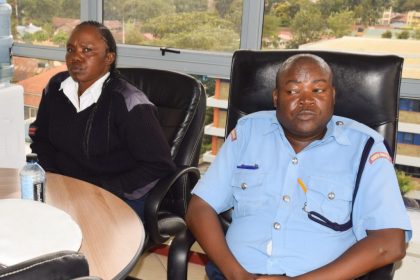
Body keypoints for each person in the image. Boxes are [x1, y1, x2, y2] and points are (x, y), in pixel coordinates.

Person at [186, 54, 412, 280]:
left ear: (332, 96)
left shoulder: (365, 147)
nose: (306, 100)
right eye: (293, 91)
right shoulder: (248, 132)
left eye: (318, 90)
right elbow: (199, 208)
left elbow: (390, 243)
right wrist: (238, 275)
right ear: (276, 98)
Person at [29, 21, 175, 221]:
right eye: (70, 50)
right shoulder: (55, 88)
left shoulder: (128, 101)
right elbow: (42, 140)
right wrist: (55, 179)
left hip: (118, 194)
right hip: (67, 187)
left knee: (85, 239)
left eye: (87, 50)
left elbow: (159, 165)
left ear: (109, 58)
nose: (76, 57)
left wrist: (101, 190)